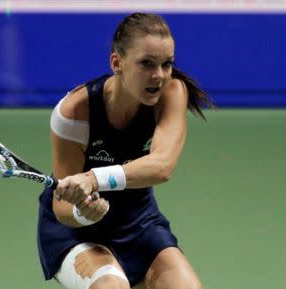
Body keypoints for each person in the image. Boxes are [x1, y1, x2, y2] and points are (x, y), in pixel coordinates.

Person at [37, 12, 213, 289]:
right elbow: (62, 207)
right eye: (147, 64)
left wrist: (93, 178)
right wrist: (84, 212)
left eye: (167, 64)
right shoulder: (75, 111)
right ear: (117, 63)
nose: (159, 76)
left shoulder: (171, 93)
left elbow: (162, 165)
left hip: (138, 222)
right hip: (77, 233)